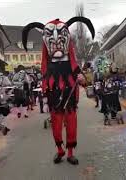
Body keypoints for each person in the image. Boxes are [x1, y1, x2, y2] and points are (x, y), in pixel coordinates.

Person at [22, 17, 93, 165]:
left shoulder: (73, 66)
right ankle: (60, 150)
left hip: (70, 99)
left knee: (72, 124)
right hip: (55, 100)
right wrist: (45, 96)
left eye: (61, 35)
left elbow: (85, 82)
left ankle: (70, 152)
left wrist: (81, 79)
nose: (56, 40)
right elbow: (45, 83)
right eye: (51, 36)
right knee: (56, 125)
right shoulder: (48, 68)